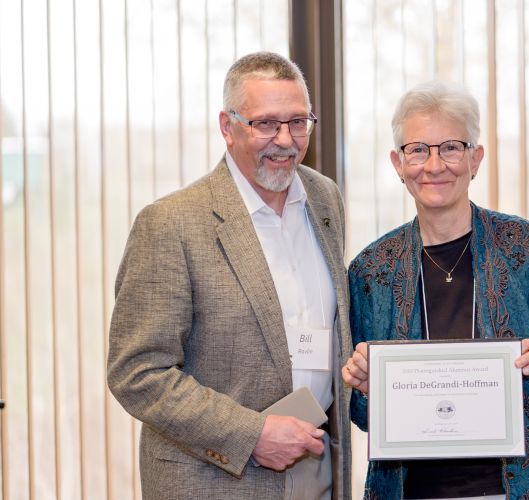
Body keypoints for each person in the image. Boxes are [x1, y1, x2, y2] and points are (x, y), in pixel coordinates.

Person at [341, 81, 529, 500]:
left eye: (450, 147)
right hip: (411, 492)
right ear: (398, 163)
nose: (434, 165)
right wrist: (363, 387)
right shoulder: (371, 271)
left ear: (475, 158)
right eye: (418, 150)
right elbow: (360, 414)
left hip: (526, 487)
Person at [108, 52, 352, 500]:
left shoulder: (324, 198)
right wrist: (251, 434)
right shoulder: (171, 224)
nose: (285, 140)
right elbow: (138, 372)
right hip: (217, 480)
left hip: (318, 467)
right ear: (227, 126)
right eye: (265, 124)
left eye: (298, 122)